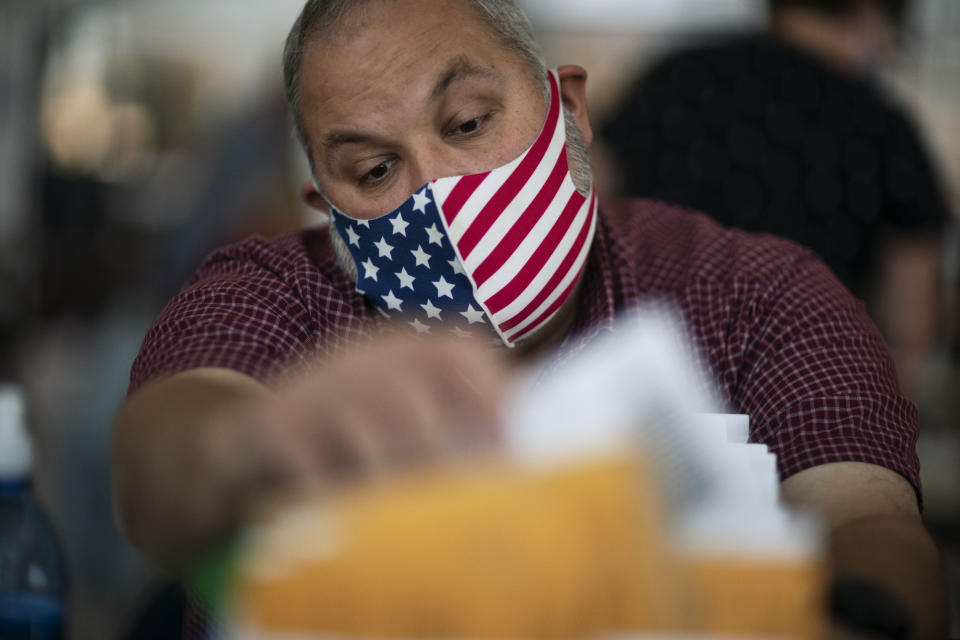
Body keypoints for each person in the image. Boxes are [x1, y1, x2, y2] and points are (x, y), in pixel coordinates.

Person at [111, 0, 946, 637]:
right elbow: (164, 462)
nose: (438, 189)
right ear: (327, 208)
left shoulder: (753, 293)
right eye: (372, 168)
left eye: (470, 123)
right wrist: (261, 439)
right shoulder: (281, 291)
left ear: (569, 113)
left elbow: (867, 519)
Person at [600, 0, 951, 395]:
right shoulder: (885, 129)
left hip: (651, 377)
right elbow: (910, 321)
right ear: (872, 15)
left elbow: (589, 188)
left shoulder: (676, 77)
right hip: (802, 397)